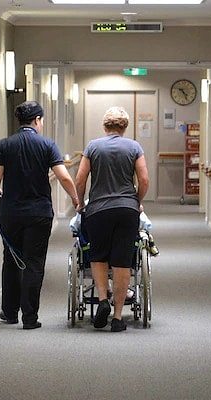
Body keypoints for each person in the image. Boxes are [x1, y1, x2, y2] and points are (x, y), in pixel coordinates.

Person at [0, 101, 81, 329]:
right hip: (39, 213)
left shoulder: (4, 145)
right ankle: (29, 317)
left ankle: (9, 312)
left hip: (11, 213)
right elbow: (63, 177)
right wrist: (75, 198)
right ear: (37, 120)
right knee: (34, 263)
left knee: (10, 260)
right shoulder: (47, 145)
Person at [74, 107, 150, 332]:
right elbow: (144, 179)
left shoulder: (93, 146)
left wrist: (80, 203)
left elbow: (80, 180)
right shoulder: (134, 147)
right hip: (127, 210)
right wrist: (136, 200)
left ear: (104, 126)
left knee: (98, 256)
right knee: (122, 261)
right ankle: (117, 317)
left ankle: (102, 300)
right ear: (124, 127)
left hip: (98, 210)